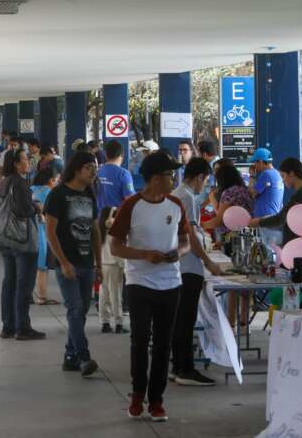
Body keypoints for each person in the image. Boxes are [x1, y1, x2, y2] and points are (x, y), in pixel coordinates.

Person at [108, 151, 191, 422]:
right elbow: (115, 246)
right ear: (155, 179)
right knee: (140, 340)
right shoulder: (131, 205)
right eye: (170, 175)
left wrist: (178, 252)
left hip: (170, 282)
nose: (174, 178)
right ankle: (137, 393)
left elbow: (186, 241)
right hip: (139, 282)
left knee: (163, 344)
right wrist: (145, 255)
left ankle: (156, 400)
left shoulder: (176, 205)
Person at [44, 151, 102, 378]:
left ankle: (70, 356)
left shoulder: (89, 194)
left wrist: (99, 264)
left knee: (81, 311)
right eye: (90, 168)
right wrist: (63, 262)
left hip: (87, 262)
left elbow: (95, 230)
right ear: (77, 169)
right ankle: (84, 357)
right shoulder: (58, 195)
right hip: (66, 263)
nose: (94, 173)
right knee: (75, 309)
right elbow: (50, 231)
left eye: (95, 168)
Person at [170, 157, 221, 387]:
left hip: (182, 266)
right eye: (206, 180)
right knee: (186, 320)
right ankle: (186, 369)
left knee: (180, 319)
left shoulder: (179, 194)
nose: (206, 186)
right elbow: (190, 235)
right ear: (199, 177)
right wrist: (208, 262)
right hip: (189, 267)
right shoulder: (187, 197)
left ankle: (178, 365)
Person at [0, 149, 45, 340]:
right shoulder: (19, 183)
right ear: (16, 163)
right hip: (21, 240)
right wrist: (36, 207)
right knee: (24, 284)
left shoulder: (2, 182)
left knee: (9, 282)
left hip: (5, 237)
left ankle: (8, 326)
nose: (28, 162)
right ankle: (23, 327)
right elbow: (24, 210)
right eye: (25, 159)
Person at [202, 163, 254, 327]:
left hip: (232, 240)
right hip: (247, 237)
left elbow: (220, 219)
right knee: (246, 281)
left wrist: (199, 226)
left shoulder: (228, 193)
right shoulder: (245, 191)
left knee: (233, 283)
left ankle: (230, 323)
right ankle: (244, 323)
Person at [248, 157, 302, 246]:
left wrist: (258, 222)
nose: (283, 181)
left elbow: (281, 219)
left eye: (283, 176)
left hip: (296, 246)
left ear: (291, 173)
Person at [30, 167, 61, 306]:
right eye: (56, 180)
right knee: (42, 267)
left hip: (27, 232)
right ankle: (42, 297)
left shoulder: (30, 189)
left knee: (29, 266)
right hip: (42, 231)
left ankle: (27, 295)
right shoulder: (50, 192)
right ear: (51, 180)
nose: (57, 182)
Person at [248, 148, 284, 247]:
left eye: (255, 163)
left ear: (260, 161)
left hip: (265, 221)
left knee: (267, 253)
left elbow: (252, 193)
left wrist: (252, 176)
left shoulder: (266, 174)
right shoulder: (277, 174)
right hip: (274, 219)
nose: (254, 166)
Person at [98, 207, 126, 334]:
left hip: (102, 265)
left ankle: (105, 322)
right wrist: (123, 266)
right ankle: (119, 323)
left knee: (103, 295)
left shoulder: (99, 232)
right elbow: (117, 252)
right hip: (114, 265)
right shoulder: (113, 232)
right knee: (116, 295)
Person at [96, 140, 135, 212]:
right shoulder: (123, 174)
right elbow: (130, 200)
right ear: (122, 154)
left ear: (106, 155)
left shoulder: (98, 171)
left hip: (100, 218)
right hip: (116, 218)